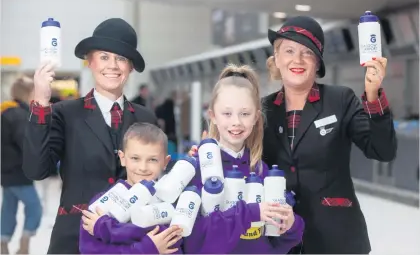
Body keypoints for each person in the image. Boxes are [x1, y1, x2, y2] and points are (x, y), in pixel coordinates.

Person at [22, 18, 157, 254]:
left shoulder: (146, 118)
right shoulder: (65, 114)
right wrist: (42, 103)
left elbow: (157, 180)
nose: (112, 65)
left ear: (131, 67)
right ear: (90, 62)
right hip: (74, 240)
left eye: (121, 58)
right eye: (104, 57)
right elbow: (36, 170)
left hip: (131, 240)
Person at [263, 16, 396, 253]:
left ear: (317, 63)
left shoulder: (340, 100)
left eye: (307, 52)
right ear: (277, 59)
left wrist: (373, 95)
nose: (297, 59)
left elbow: (382, 150)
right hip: (280, 238)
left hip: (337, 239)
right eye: (289, 50)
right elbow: (241, 158)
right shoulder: (262, 110)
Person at [184, 64, 304, 254]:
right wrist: (251, 213)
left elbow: (277, 243)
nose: (236, 122)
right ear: (213, 116)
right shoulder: (197, 170)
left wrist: (291, 225)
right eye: (227, 113)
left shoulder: (262, 171)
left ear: (256, 117)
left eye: (245, 114)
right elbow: (194, 241)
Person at [79, 123, 183, 254]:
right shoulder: (102, 203)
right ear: (123, 158)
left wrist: (106, 227)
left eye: (152, 160)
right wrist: (145, 248)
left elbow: (173, 241)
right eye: (135, 158)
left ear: (165, 162)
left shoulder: (170, 200)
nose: (143, 167)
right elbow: (90, 251)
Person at [1, 77, 43, 254]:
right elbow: (26, 144)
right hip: (19, 170)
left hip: (6, 170)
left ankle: (3, 244)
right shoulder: (20, 115)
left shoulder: (6, 112)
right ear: (28, 93)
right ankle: (24, 243)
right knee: (35, 208)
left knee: (9, 208)